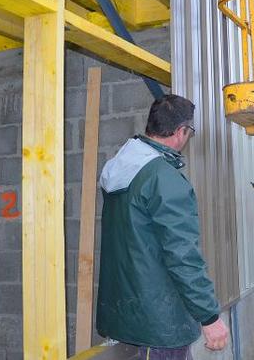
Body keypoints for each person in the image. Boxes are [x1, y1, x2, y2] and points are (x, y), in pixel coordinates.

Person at [96, 94, 229, 359]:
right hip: (159, 324)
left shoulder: (120, 166)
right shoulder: (163, 177)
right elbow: (182, 254)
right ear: (181, 131)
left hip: (124, 317)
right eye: (189, 132)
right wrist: (209, 316)